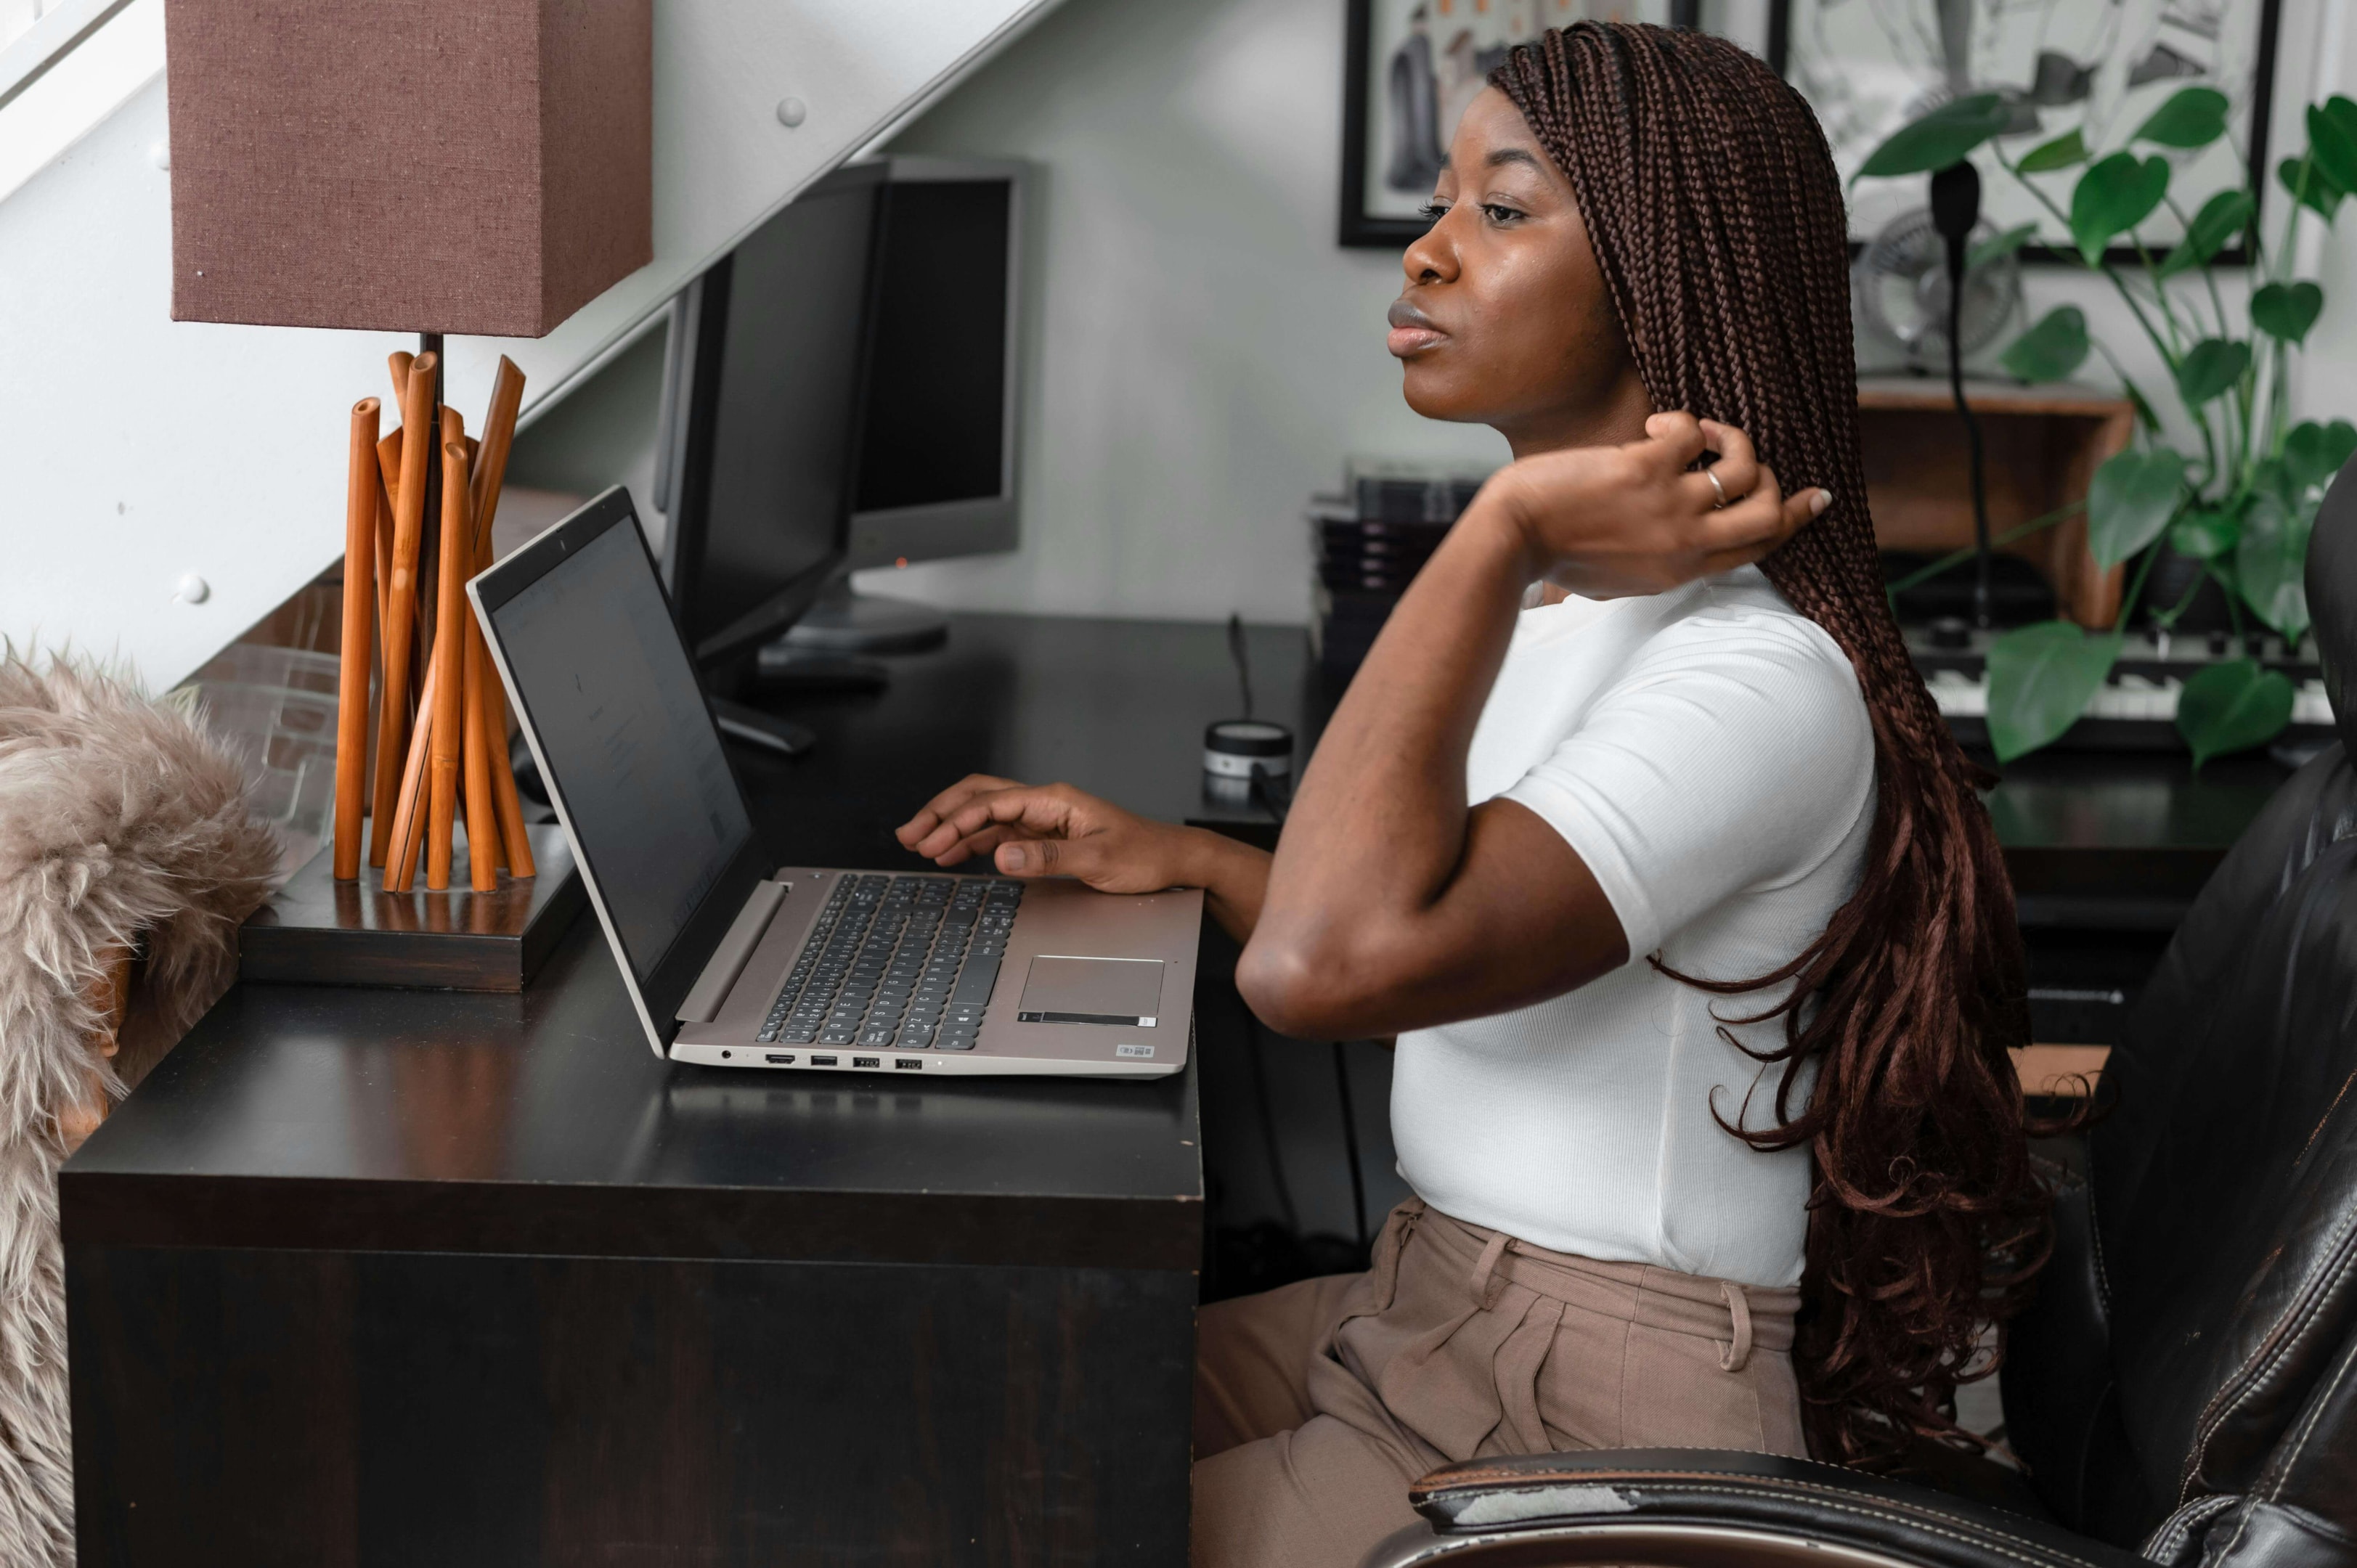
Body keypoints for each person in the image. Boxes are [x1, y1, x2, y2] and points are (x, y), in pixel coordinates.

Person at [897, 23, 2045, 1568]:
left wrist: (1496, 531)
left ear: (1659, 270)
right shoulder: (1579, 612)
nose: (1430, 254)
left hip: (1591, 1403)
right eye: (1444, 201)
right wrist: (1187, 859)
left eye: (1501, 210)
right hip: (1430, 1304)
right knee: (939, 1419)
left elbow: (1321, 969)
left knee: (996, 1525)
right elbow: (1456, 933)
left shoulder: (1752, 681)